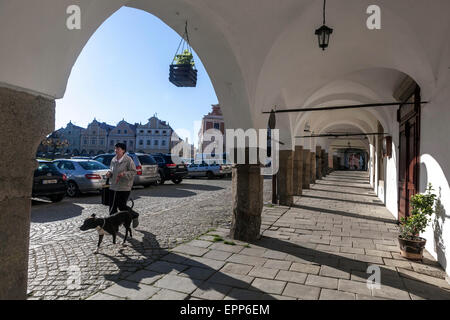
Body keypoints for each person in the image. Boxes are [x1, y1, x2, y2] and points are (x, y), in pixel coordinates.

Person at [106, 143, 137, 219]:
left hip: (124, 187)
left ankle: (134, 215)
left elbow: (133, 172)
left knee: (122, 206)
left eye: (118, 149)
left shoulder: (128, 160)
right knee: (112, 206)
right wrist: (109, 173)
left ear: (123, 150)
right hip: (113, 186)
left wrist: (124, 174)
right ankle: (113, 224)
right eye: (115, 148)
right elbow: (111, 170)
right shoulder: (113, 159)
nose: (116, 150)